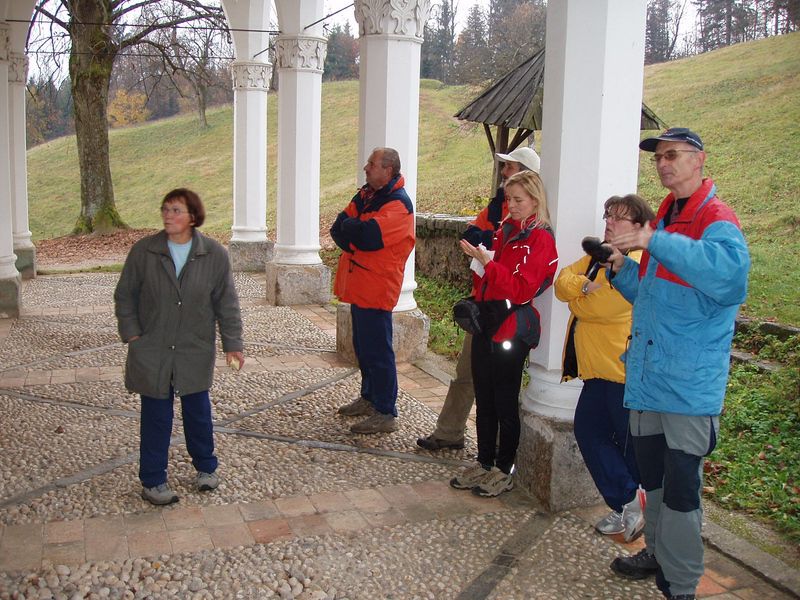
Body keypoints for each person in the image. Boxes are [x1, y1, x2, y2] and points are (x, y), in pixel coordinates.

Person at [605, 128, 750, 600]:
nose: (663, 164)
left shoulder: (715, 219)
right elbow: (655, 298)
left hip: (688, 390)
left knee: (683, 497)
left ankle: (681, 586)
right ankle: (660, 558)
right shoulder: (668, 216)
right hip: (649, 383)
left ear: (698, 160)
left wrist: (653, 240)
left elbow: (728, 281)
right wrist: (624, 270)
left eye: (672, 155)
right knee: (656, 488)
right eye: (657, 157)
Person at [114, 188, 245, 506]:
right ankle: (153, 480)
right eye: (165, 209)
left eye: (176, 210)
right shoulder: (144, 251)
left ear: (193, 217)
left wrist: (233, 344)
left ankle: (206, 468)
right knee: (156, 415)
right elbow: (125, 295)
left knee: (197, 412)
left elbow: (226, 303)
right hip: (153, 348)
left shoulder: (214, 254)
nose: (168, 216)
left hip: (194, 348)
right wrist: (133, 335)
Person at [416, 146, 541, 451]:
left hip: (507, 316)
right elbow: (473, 235)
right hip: (482, 306)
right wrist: (487, 246)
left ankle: (498, 454)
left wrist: (487, 252)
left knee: (500, 390)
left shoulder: (534, 229)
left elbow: (506, 266)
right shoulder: (496, 208)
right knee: (467, 376)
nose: (504, 172)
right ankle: (450, 432)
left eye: (509, 167)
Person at [449, 170, 558, 497]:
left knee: (504, 400)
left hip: (511, 328)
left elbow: (523, 289)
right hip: (489, 323)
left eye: (518, 200)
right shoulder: (504, 231)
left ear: (536, 201)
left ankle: (504, 468)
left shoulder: (540, 238)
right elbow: (492, 282)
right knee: (484, 397)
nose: (510, 205)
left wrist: (488, 263)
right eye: (509, 198)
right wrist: (482, 263)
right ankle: (484, 462)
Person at [555, 194, 655, 542]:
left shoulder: (640, 263)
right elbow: (561, 281)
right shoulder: (597, 257)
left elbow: (602, 308)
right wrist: (584, 285)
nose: (609, 222)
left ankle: (637, 509)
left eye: (619, 218)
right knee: (589, 432)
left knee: (628, 447)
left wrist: (580, 299)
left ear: (640, 227)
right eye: (608, 215)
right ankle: (628, 502)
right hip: (596, 371)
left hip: (623, 373)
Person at [331, 147, 415, 435]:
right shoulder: (368, 194)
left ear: (387, 170)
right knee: (364, 348)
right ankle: (369, 398)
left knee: (379, 351)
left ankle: (385, 410)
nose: (366, 168)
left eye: (372, 164)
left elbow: (368, 236)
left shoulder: (399, 205)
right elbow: (337, 228)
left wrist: (355, 231)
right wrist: (356, 232)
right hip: (360, 285)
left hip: (377, 288)